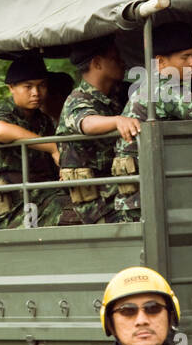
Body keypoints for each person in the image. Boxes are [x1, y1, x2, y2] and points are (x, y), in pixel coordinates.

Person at [112, 22, 192, 223]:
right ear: (160, 62)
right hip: (142, 202)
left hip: (149, 193)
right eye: (185, 57)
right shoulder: (163, 90)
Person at [56, 36, 138, 225]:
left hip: (117, 191)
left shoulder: (116, 94)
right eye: (115, 57)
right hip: (96, 205)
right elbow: (86, 123)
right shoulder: (77, 100)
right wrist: (117, 121)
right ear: (97, 63)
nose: (122, 61)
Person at [0, 54, 67, 228]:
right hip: (15, 205)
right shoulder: (2, 114)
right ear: (11, 88)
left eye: (41, 85)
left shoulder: (42, 120)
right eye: (28, 86)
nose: (36, 93)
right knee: (75, 212)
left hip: (43, 194)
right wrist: (52, 147)